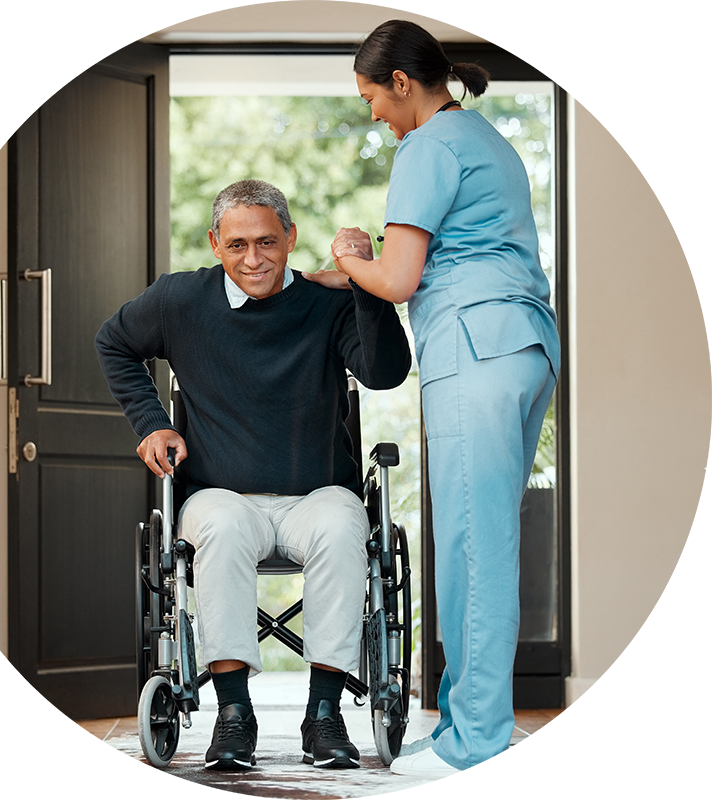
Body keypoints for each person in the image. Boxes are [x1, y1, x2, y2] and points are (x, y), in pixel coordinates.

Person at [304, 19, 560, 800]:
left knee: (473, 547)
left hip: (473, 351)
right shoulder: (484, 139)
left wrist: (351, 254)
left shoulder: (426, 148)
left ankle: (473, 743)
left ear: (404, 84)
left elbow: (402, 277)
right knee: (480, 543)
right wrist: (352, 268)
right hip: (521, 345)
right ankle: (463, 726)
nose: (373, 114)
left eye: (373, 97)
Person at [95, 179, 411, 772]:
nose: (254, 259)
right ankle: (234, 715)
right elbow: (113, 342)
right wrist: (151, 424)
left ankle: (325, 714)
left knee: (346, 526)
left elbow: (386, 373)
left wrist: (367, 285)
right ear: (215, 243)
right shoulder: (178, 301)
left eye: (267, 242)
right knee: (217, 526)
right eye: (237, 244)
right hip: (222, 496)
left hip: (316, 495)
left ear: (290, 238)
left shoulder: (327, 304)